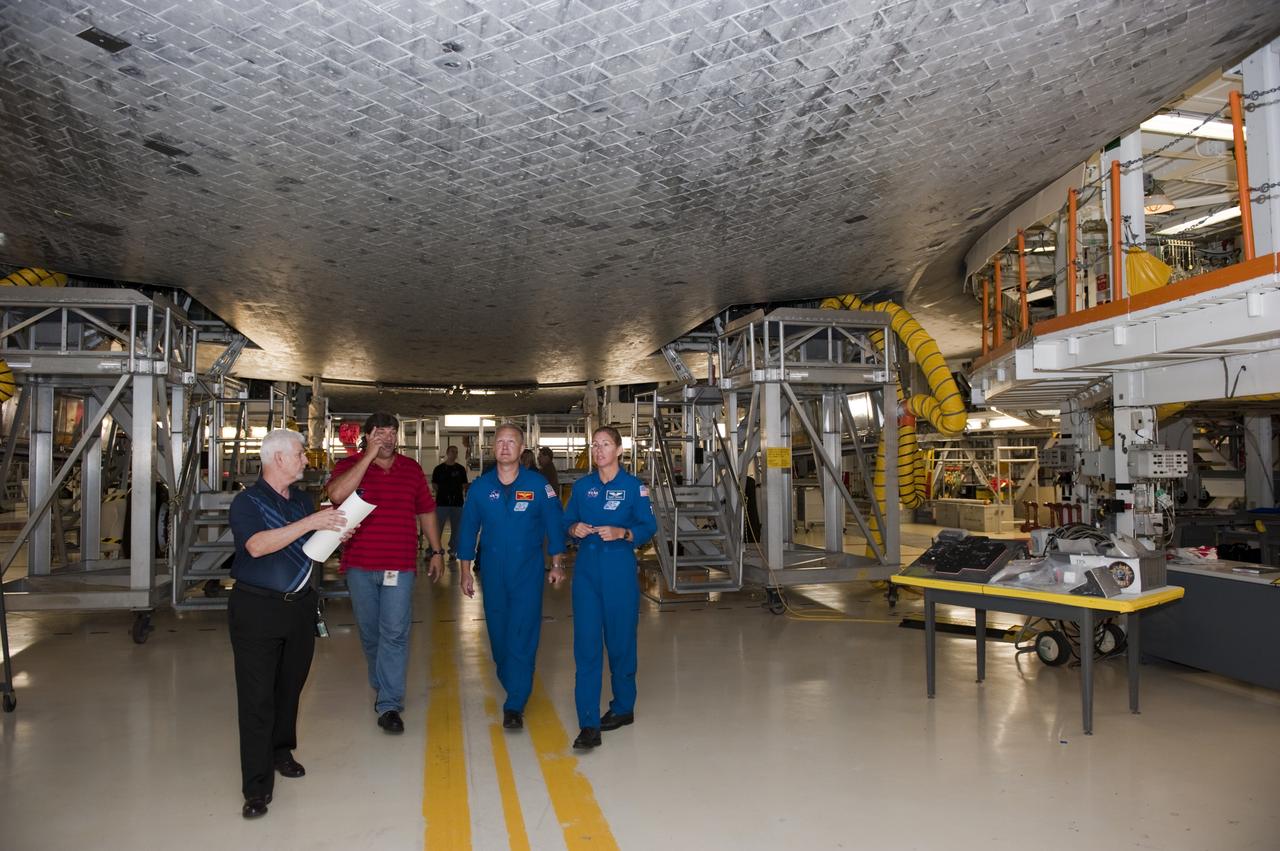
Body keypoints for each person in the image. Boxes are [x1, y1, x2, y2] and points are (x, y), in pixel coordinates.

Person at [228, 429, 347, 820]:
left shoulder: (300, 501)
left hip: (299, 608)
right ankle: (257, 786)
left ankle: (281, 751)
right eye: (298, 454)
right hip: (257, 610)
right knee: (257, 698)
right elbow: (257, 546)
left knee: (289, 689)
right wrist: (312, 520)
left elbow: (310, 548)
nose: (304, 460)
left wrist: (335, 530)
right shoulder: (246, 502)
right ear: (277, 458)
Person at [325, 412, 444, 734]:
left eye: (392, 433)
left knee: (395, 632)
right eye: (380, 433)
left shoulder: (411, 469)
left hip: (400, 566)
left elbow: (426, 510)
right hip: (360, 567)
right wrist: (367, 458)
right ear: (367, 436)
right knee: (370, 632)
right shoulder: (348, 467)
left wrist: (436, 551)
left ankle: (390, 703)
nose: (388, 438)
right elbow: (336, 496)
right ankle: (382, 681)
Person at [456, 423, 566, 729]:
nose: (505, 446)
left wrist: (557, 563)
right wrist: (465, 572)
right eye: (500, 442)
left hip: (527, 573)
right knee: (499, 635)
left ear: (521, 449)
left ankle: (516, 700)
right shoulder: (480, 488)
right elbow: (467, 532)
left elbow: (554, 525)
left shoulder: (539, 486)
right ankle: (512, 679)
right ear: (494, 448)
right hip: (492, 573)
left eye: (511, 442)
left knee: (523, 633)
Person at [564, 426, 656, 750]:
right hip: (587, 574)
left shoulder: (634, 488)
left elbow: (648, 525)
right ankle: (588, 724)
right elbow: (567, 521)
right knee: (586, 648)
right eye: (594, 445)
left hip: (619, 572)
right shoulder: (582, 487)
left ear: (618, 450)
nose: (599, 449)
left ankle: (623, 707)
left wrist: (623, 533)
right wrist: (574, 528)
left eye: (605, 444)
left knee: (620, 645)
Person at [431, 445, 469, 560]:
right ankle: (434, 549)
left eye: (456, 452)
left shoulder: (461, 469)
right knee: (438, 527)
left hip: (457, 503)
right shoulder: (439, 469)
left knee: (456, 528)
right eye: (452, 451)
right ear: (447, 453)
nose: (454, 453)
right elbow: (435, 484)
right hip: (442, 503)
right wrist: (443, 492)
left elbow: (464, 484)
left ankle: (453, 550)